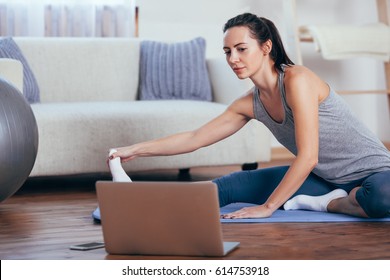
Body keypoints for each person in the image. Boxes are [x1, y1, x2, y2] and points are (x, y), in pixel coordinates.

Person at [109, 13, 390, 219]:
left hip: (377, 174)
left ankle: (327, 204)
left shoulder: (297, 80)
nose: (233, 59)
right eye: (228, 51)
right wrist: (136, 149)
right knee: (228, 186)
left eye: (242, 49)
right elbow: (195, 138)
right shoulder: (248, 103)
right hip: (323, 179)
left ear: (266, 47)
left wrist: (268, 207)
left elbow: (308, 156)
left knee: (382, 196)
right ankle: (143, 202)